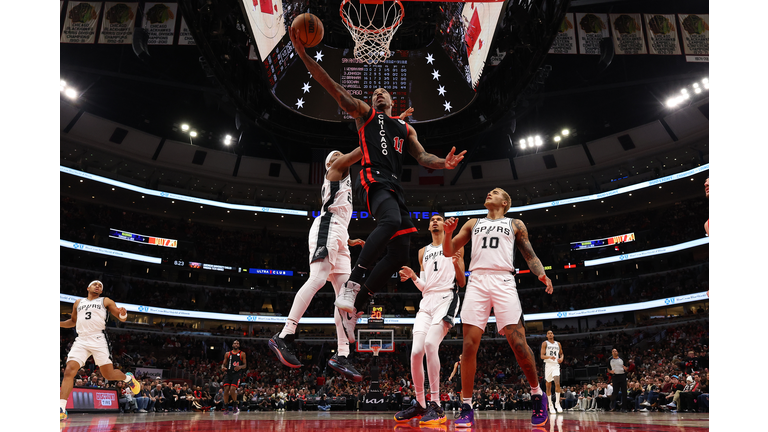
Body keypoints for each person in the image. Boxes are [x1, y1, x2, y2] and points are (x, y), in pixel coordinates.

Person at [287, 26, 466, 324]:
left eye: (382, 91)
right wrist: (304, 56)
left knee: (400, 254)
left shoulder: (406, 128)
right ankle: (353, 281)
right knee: (392, 221)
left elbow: (422, 156)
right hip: (373, 181)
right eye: (374, 93)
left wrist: (443, 164)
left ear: (392, 100)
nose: (378, 93)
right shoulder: (365, 115)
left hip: (395, 188)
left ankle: (357, 303)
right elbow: (332, 86)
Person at [442, 188, 554, 427]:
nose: (489, 193)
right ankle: (466, 406)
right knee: (469, 345)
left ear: (505, 202)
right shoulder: (473, 223)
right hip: (477, 281)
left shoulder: (515, 223)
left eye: (495, 192)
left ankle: (537, 394)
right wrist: (448, 234)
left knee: (519, 344)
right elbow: (448, 250)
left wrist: (542, 274)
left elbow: (529, 254)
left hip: (504, 281)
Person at [269, 148, 367, 382]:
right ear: (328, 164)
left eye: (339, 154)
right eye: (334, 155)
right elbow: (362, 149)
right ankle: (284, 334)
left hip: (340, 234)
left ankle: (342, 354)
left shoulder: (344, 181)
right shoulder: (335, 170)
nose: (338, 156)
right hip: (327, 227)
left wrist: (347, 239)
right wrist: (383, 124)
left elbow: (342, 213)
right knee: (319, 277)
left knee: (345, 296)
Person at [394, 214, 466, 425]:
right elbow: (425, 287)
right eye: (432, 219)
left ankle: (436, 404)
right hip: (427, 302)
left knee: (429, 344)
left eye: (439, 219)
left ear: (445, 225)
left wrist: (455, 265)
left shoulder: (455, 245)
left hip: (446, 297)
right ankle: (420, 403)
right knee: (416, 352)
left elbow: (461, 282)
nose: (435, 221)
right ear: (429, 225)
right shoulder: (422, 252)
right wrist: (414, 277)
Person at [59, 280, 141, 421]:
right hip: (82, 340)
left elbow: (121, 317)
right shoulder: (78, 303)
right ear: (88, 287)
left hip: (98, 338)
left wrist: (122, 314)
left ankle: (128, 378)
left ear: (101, 291)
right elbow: (73, 321)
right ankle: (61, 408)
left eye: (100, 286)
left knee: (108, 374)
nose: (98, 286)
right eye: (95, 284)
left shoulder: (105, 301)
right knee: (69, 370)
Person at [541, 330, 564, 413]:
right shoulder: (545, 343)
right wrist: (549, 357)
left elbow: (561, 353)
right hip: (548, 366)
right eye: (548, 333)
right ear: (547, 336)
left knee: (557, 382)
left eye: (551, 333)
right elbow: (542, 356)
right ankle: (550, 405)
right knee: (548, 386)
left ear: (553, 335)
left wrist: (561, 358)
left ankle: (557, 404)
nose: (550, 334)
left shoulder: (558, 344)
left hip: (555, 365)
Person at [221, 340, 246, 414]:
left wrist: (240, 367)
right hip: (229, 373)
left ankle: (235, 404)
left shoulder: (242, 354)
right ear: (232, 345)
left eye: (237, 343)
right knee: (226, 390)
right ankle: (225, 407)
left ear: (239, 345)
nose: (236, 344)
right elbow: (223, 364)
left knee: (232, 389)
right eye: (235, 343)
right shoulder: (227, 353)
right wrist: (222, 367)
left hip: (237, 374)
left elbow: (245, 365)